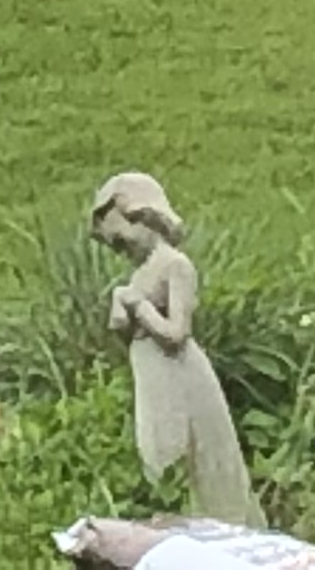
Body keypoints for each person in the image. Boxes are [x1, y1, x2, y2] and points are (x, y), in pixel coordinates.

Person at [94, 171, 262, 529]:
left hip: (177, 372)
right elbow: (128, 335)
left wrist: (137, 306)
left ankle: (211, 524)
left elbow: (177, 333)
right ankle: (175, 519)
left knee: (185, 451)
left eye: (122, 241)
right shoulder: (140, 274)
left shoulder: (175, 265)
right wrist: (120, 315)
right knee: (156, 450)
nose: (121, 251)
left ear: (144, 217)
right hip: (150, 373)